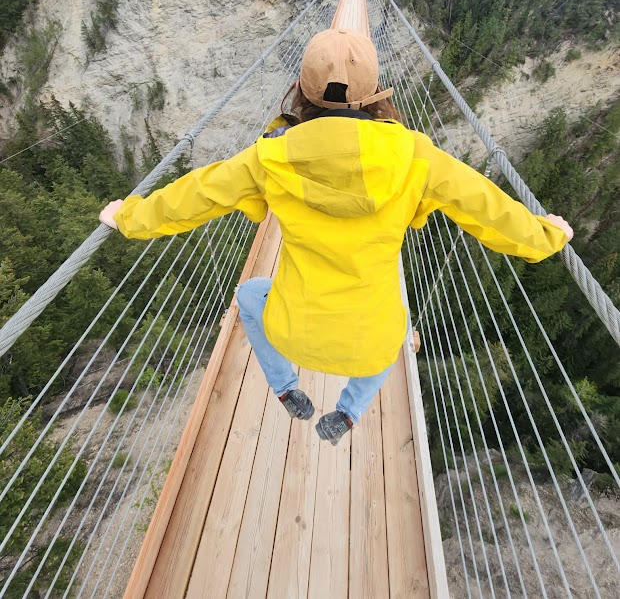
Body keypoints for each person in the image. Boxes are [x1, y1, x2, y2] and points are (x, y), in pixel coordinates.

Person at [100, 28, 573, 446]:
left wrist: (129, 217)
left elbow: (195, 195)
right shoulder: (416, 157)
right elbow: (486, 209)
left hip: (293, 332)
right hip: (369, 342)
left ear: (302, 91)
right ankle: (349, 411)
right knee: (397, 326)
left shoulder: (270, 157)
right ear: (373, 94)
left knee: (248, 296)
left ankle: (285, 388)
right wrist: (546, 234)